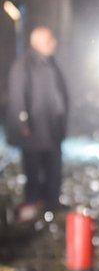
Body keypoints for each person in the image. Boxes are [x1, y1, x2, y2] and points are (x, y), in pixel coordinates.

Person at [6, 26, 69, 222]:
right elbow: (18, 96)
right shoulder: (23, 65)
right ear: (37, 42)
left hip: (52, 127)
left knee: (53, 167)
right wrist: (23, 123)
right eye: (49, 40)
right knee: (33, 168)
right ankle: (33, 202)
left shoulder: (51, 63)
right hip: (33, 130)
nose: (54, 44)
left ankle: (52, 202)